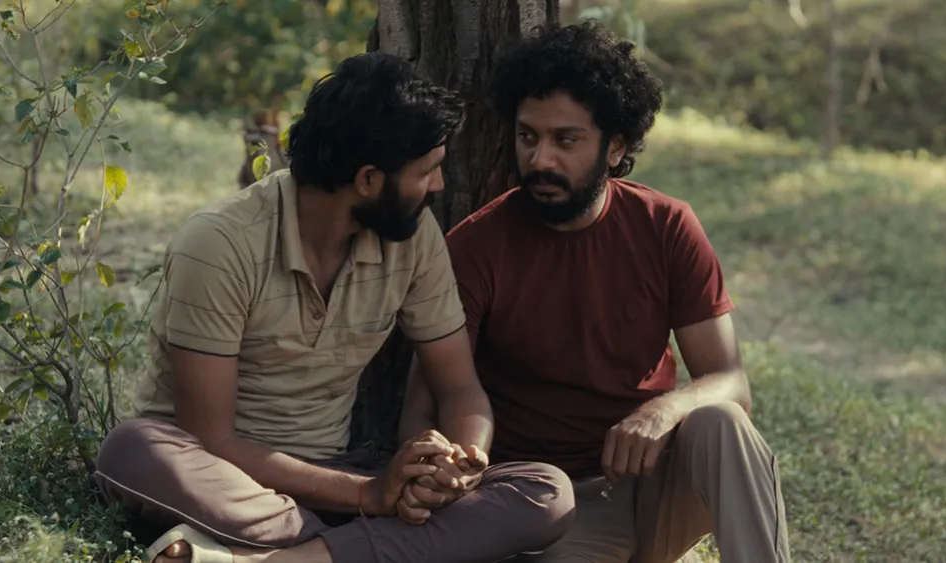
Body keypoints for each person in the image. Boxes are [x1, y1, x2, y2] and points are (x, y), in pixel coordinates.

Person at [92, 52, 575, 563]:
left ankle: (276, 558)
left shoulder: (412, 239)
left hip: (341, 472)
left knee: (545, 493)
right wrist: (371, 498)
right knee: (130, 451)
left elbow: (459, 388)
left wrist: (460, 465)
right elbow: (209, 437)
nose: (438, 187)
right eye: (427, 172)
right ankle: (349, 551)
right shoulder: (219, 243)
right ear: (368, 180)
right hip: (227, 481)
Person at [398, 21, 791, 563]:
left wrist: (662, 412)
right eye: (528, 136)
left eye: (566, 140)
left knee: (722, 422)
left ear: (616, 147)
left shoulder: (667, 226)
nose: (540, 160)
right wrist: (439, 467)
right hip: (553, 505)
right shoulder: (474, 247)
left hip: (656, 482)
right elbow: (422, 404)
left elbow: (731, 380)